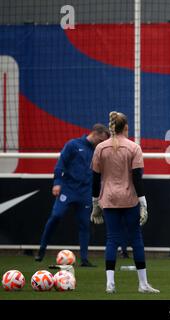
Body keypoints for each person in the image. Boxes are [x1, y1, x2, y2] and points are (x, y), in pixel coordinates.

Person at [90, 111, 159, 294]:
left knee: (112, 239)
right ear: (126, 127)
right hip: (129, 199)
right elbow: (137, 179)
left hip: (109, 199)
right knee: (136, 239)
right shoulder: (133, 148)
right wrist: (143, 203)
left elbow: (95, 179)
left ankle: (110, 284)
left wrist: (95, 203)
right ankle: (143, 284)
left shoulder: (100, 148)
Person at [35, 124, 111, 266]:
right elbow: (60, 164)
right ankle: (41, 250)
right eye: (101, 141)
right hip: (68, 190)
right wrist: (57, 182)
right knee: (56, 216)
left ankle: (84, 259)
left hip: (85, 193)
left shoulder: (99, 151)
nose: (102, 144)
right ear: (94, 134)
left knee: (84, 224)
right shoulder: (73, 145)